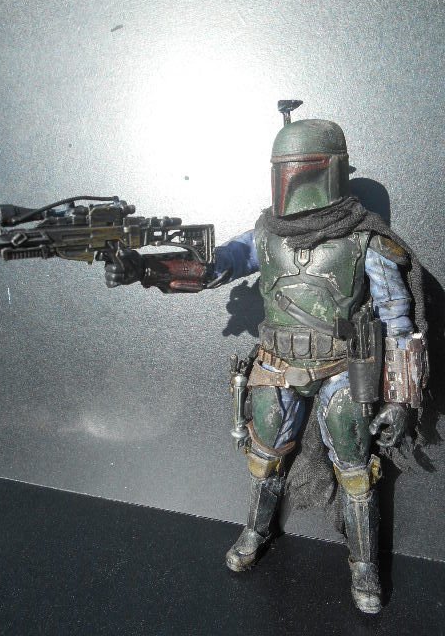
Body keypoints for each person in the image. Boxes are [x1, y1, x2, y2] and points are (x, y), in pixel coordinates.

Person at [102, 104, 427, 614]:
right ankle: (256, 530)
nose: (289, 183)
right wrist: (147, 269)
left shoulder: (365, 239)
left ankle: (364, 564)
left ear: (323, 171)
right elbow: (216, 266)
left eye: (295, 171)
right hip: (277, 365)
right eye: (283, 172)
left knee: (354, 468)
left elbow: (399, 320)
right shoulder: (267, 233)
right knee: (264, 456)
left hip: (342, 369)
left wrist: (401, 400)